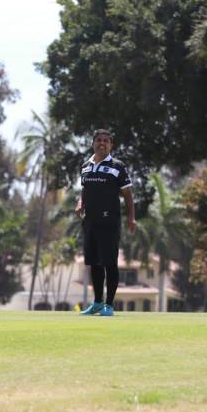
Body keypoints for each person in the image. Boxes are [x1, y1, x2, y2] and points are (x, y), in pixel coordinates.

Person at [75, 129, 135, 316]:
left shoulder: (118, 166)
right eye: (99, 140)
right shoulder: (85, 166)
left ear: (111, 145)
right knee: (94, 263)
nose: (102, 143)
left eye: (106, 141)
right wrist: (80, 203)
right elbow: (85, 190)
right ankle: (98, 303)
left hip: (110, 221)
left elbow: (128, 194)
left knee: (110, 263)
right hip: (90, 221)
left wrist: (131, 217)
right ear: (93, 143)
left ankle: (109, 305)